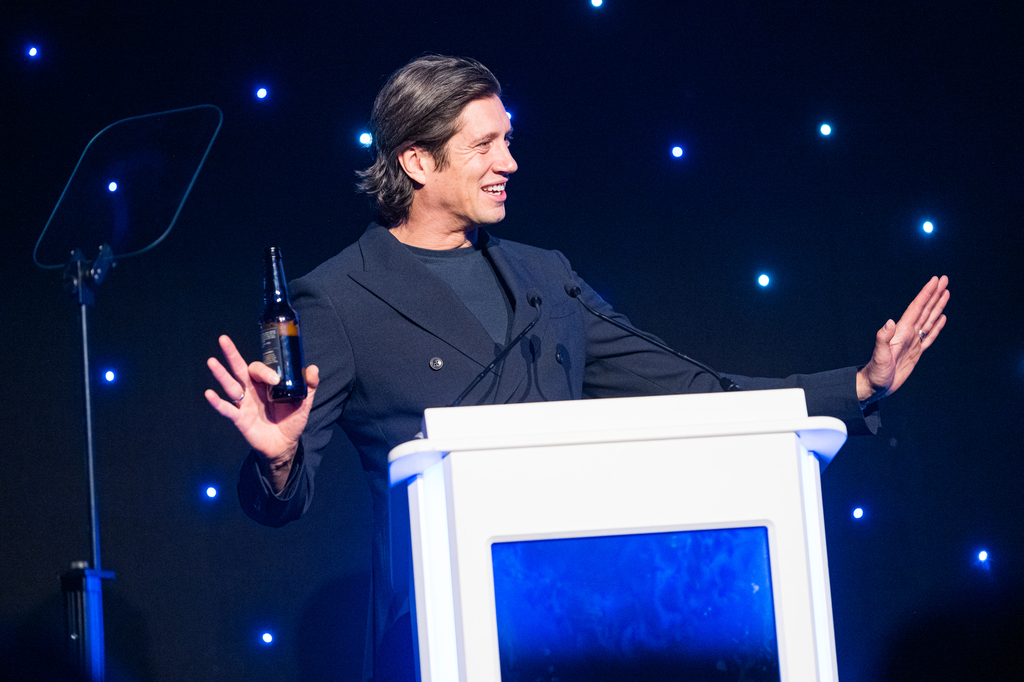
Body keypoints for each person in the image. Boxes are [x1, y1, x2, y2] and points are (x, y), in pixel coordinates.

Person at [205, 55, 949, 680]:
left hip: (579, 622)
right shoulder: (338, 297)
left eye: (508, 141)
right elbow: (281, 501)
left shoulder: (545, 275)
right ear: (418, 161)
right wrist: (278, 457)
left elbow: (690, 387)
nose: (509, 163)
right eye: (485, 146)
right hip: (441, 631)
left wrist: (857, 386)